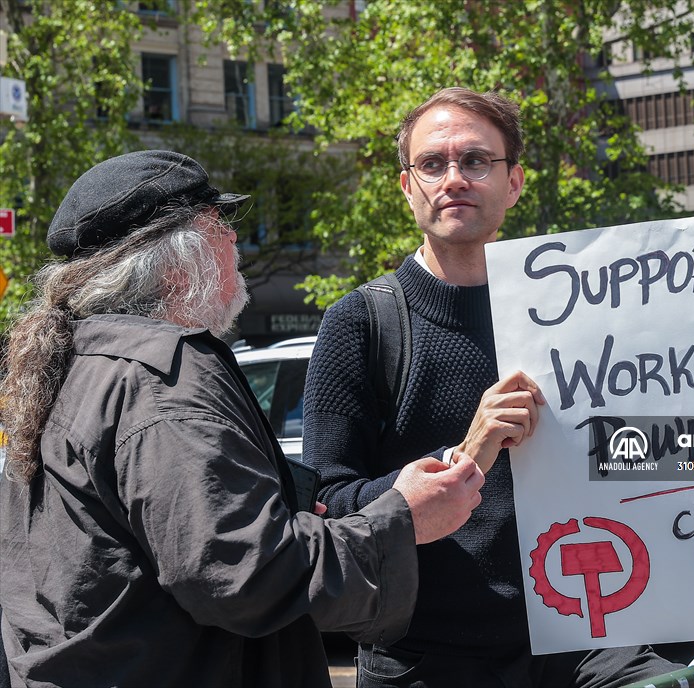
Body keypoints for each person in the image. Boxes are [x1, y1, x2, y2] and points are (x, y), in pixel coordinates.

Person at [0, 150, 485, 688]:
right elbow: (242, 573)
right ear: (178, 263)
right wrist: (401, 518)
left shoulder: (81, 363)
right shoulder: (160, 379)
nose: (234, 240)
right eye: (218, 225)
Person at [304, 87, 682, 687]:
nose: (454, 178)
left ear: (514, 183)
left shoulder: (584, 310)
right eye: (433, 163)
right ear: (407, 188)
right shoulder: (361, 323)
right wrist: (466, 453)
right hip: (427, 658)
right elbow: (330, 507)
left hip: (585, 638)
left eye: (476, 161)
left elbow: (670, 455)